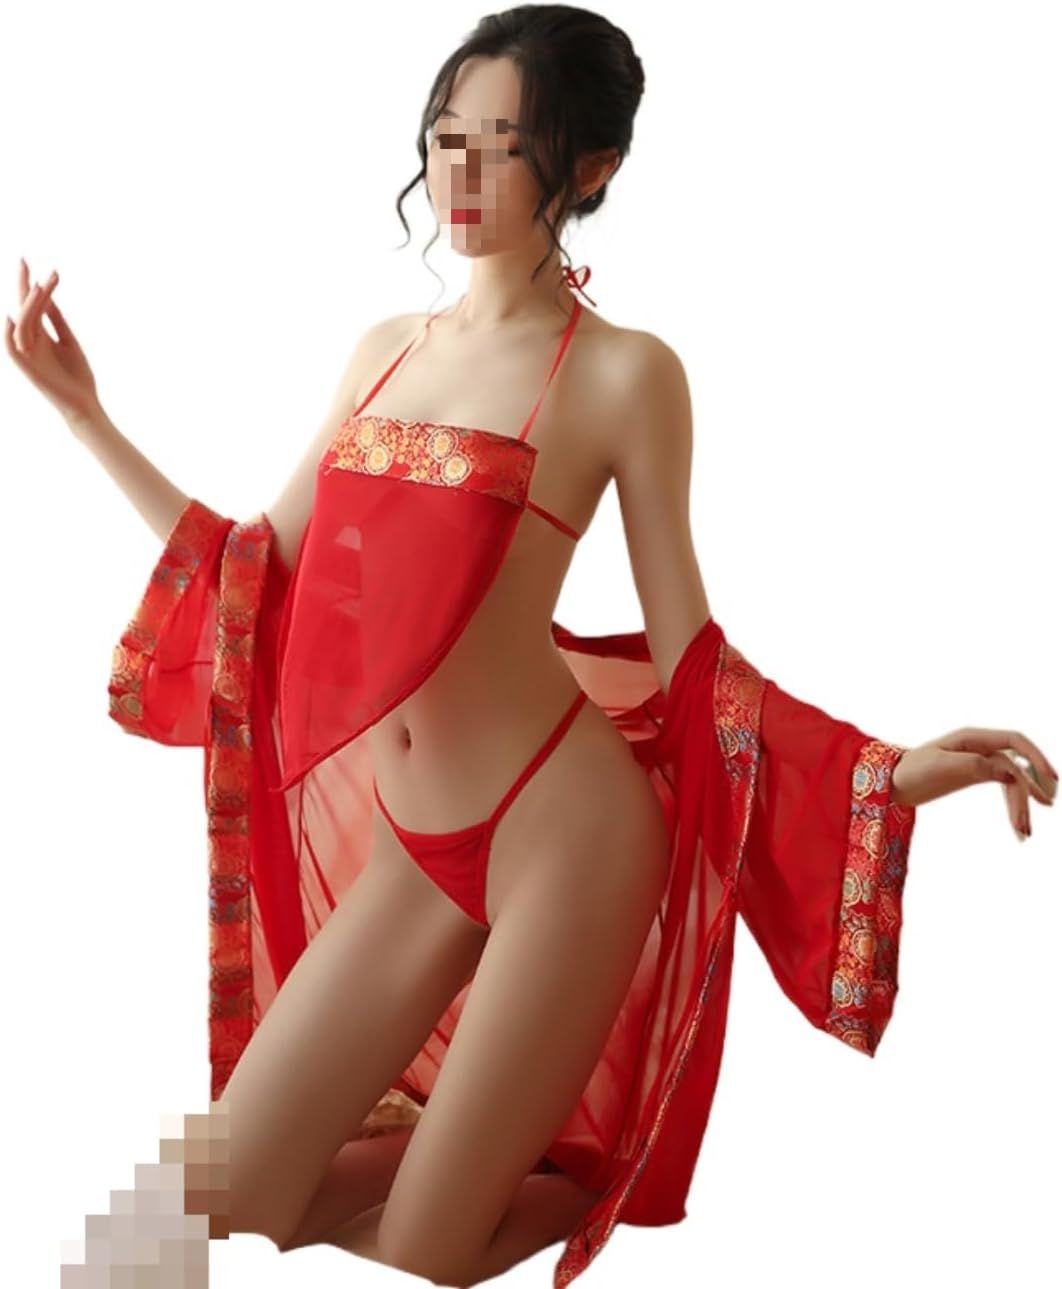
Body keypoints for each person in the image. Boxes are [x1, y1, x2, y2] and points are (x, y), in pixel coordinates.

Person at [7, 8, 1056, 1288]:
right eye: (446, 136)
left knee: (428, 1251)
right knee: (231, 1197)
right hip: (417, 842)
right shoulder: (383, 351)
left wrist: (893, 772)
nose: (460, 172)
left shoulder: (624, 375)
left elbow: (690, 654)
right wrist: (86, 416)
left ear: (591, 167)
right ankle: (502, 1136)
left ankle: (578, 1148)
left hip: (565, 838)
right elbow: (253, 574)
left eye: (504, 146)